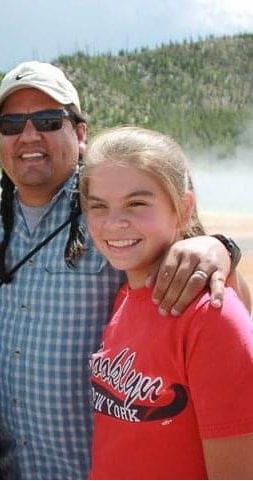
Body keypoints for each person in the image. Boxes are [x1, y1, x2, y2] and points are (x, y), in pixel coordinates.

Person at [0, 61, 247, 479]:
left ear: (80, 133)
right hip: (12, 470)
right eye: (12, 124)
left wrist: (220, 247)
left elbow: (221, 300)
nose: (29, 135)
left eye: (47, 120)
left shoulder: (105, 211)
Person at [82, 125, 253, 479]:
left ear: (184, 208)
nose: (114, 223)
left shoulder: (210, 314)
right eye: (98, 206)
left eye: (137, 203)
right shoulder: (126, 295)